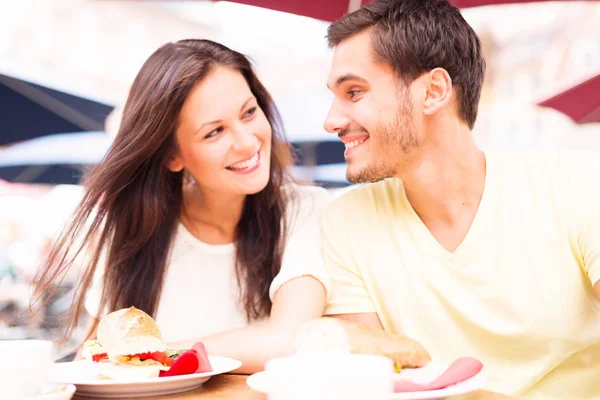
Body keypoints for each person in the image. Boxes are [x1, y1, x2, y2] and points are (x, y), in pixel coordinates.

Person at [319, 0, 600, 398]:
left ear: (433, 91)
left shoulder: (575, 186)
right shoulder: (345, 222)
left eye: (354, 91)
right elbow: (374, 381)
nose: (330, 120)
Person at [33, 39, 330, 373]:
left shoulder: (304, 209)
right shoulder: (131, 231)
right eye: (214, 132)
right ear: (172, 155)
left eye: (249, 112)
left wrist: (149, 354)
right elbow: (98, 360)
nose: (247, 141)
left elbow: (290, 342)